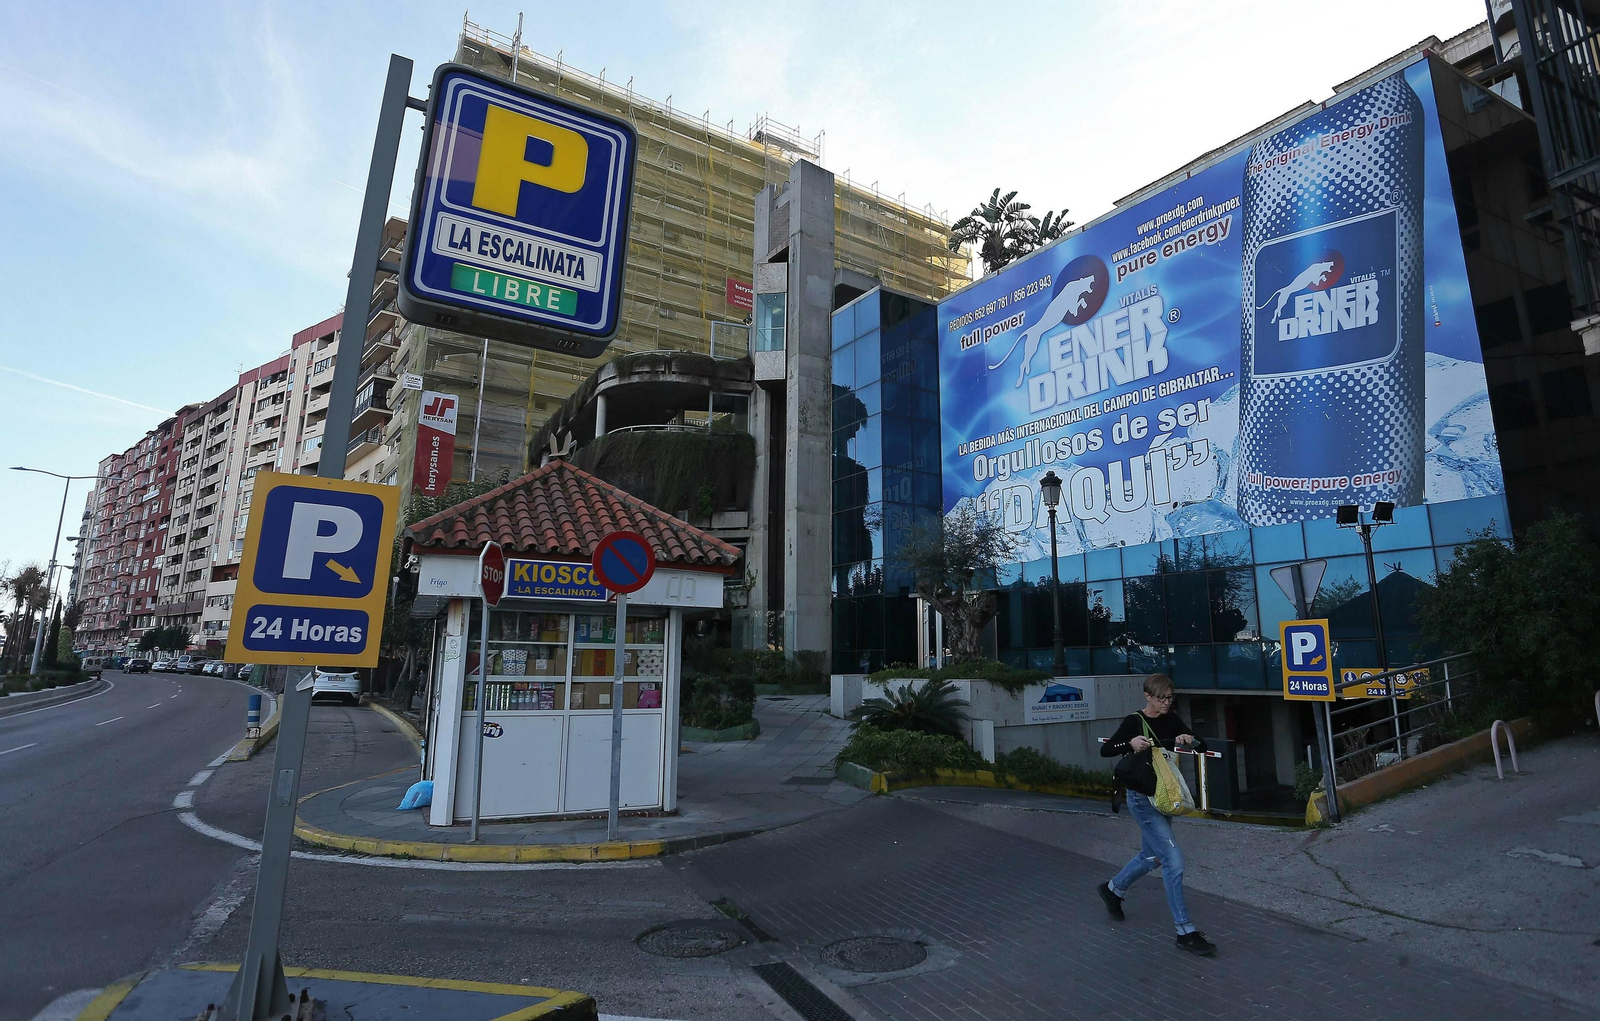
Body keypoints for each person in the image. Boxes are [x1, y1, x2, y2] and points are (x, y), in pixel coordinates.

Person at [1096, 673, 1216, 956]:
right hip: (1141, 798)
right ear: (1148, 696)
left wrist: (1190, 740)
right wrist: (1130, 744)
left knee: (1153, 856)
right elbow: (1106, 750)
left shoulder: (1172, 719)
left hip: (1164, 797)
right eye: (1161, 698)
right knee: (1173, 860)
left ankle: (1113, 889)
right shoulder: (1134, 721)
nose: (1166, 703)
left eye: (1170, 697)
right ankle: (1184, 931)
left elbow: (1203, 745)